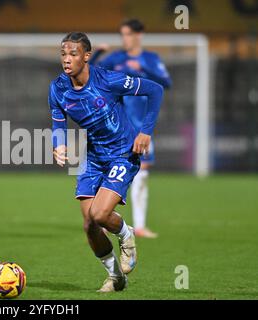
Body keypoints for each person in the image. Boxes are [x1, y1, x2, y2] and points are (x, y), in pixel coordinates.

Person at [49, 32, 163, 292]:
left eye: (73, 54)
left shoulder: (108, 80)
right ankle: (116, 277)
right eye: (63, 54)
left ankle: (126, 234)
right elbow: (58, 121)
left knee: (100, 214)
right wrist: (58, 145)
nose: (67, 60)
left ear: (86, 56)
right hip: (93, 157)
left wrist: (145, 131)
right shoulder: (57, 88)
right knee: (89, 225)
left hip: (123, 152)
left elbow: (154, 90)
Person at [90, 19, 172, 238]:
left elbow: (166, 82)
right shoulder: (116, 59)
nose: (124, 39)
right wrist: (97, 53)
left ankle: (140, 225)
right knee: (110, 172)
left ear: (139, 35)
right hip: (118, 128)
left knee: (142, 175)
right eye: (122, 34)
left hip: (143, 127)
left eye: (127, 34)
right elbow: (91, 73)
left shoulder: (151, 59)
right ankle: (106, 219)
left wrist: (143, 69)